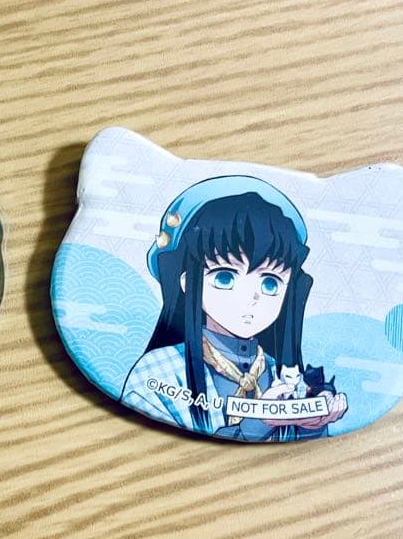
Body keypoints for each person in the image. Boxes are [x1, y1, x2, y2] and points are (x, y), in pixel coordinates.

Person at [120, 176, 347, 441]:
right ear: (187, 282)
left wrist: (313, 425)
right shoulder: (158, 371)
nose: (250, 298)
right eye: (225, 278)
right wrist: (257, 425)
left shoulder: (283, 376)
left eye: (270, 283)